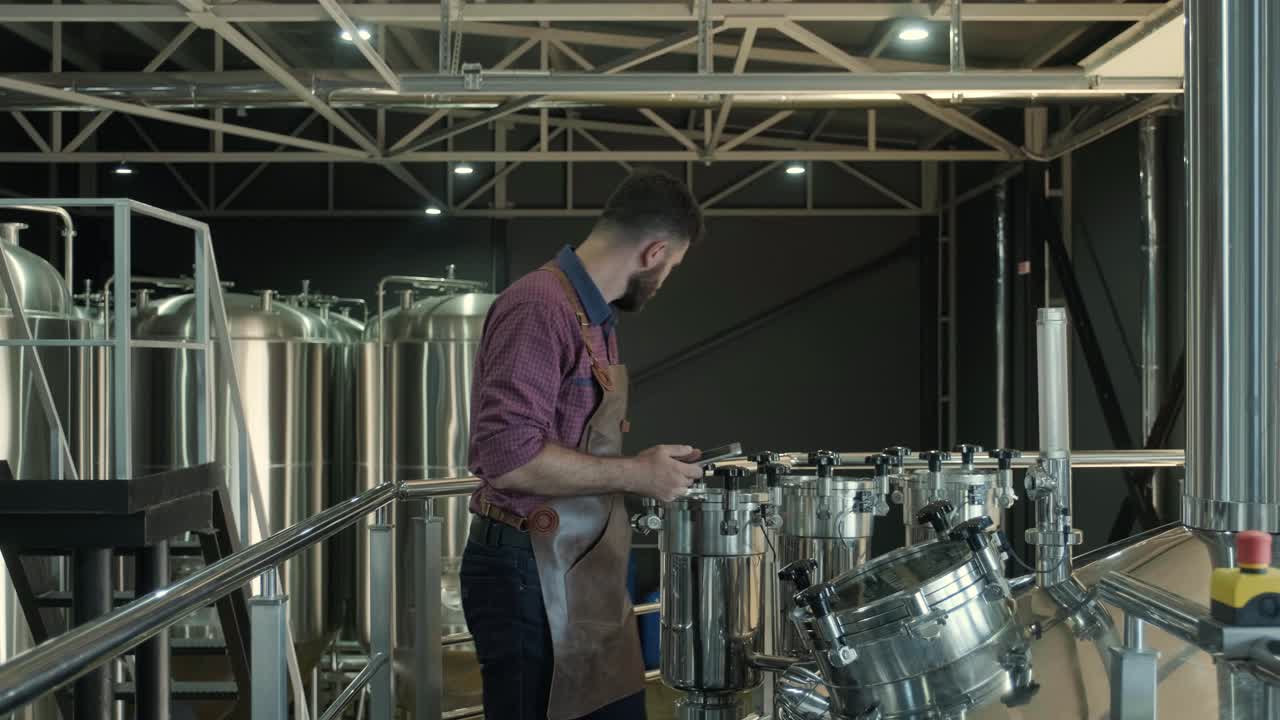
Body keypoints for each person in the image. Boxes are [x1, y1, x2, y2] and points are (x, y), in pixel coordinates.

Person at [462, 168, 705, 720]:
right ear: (655, 252)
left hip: (577, 562)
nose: (667, 279)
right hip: (528, 569)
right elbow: (508, 457)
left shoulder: (594, 315)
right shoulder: (540, 306)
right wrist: (637, 474)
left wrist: (646, 470)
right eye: (673, 267)